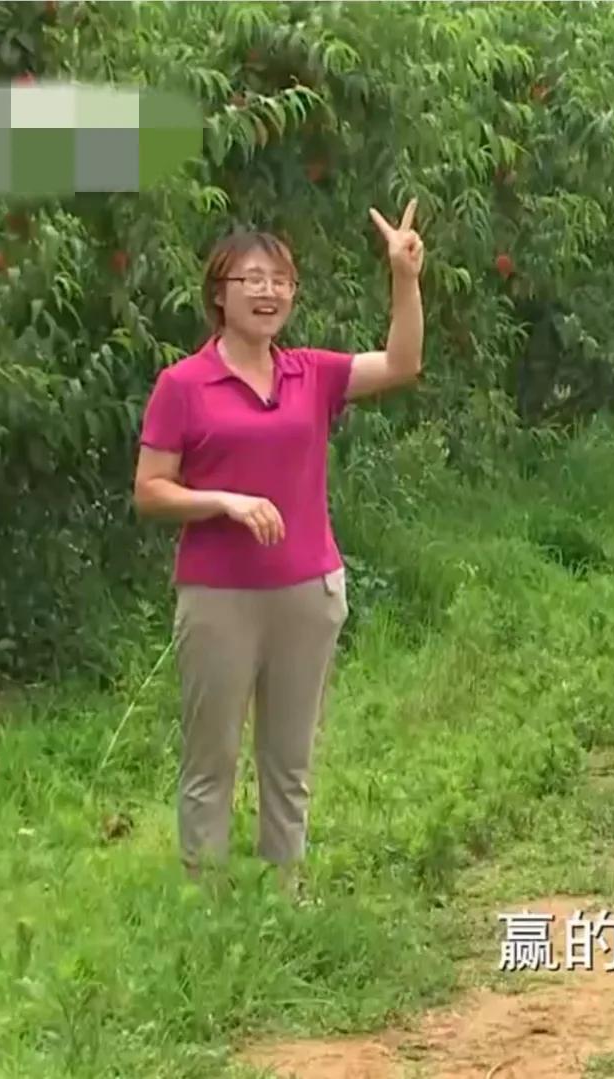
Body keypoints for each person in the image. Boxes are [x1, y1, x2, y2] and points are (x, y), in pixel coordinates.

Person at [133, 202, 426, 883]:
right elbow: (150, 489)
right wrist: (223, 501)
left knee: (288, 757)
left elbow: (403, 362)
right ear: (218, 293)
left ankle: (282, 893)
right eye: (251, 279)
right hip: (218, 598)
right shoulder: (182, 385)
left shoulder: (309, 373)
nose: (268, 292)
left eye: (280, 281)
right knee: (211, 757)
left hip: (306, 590)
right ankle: (203, 897)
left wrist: (404, 276)